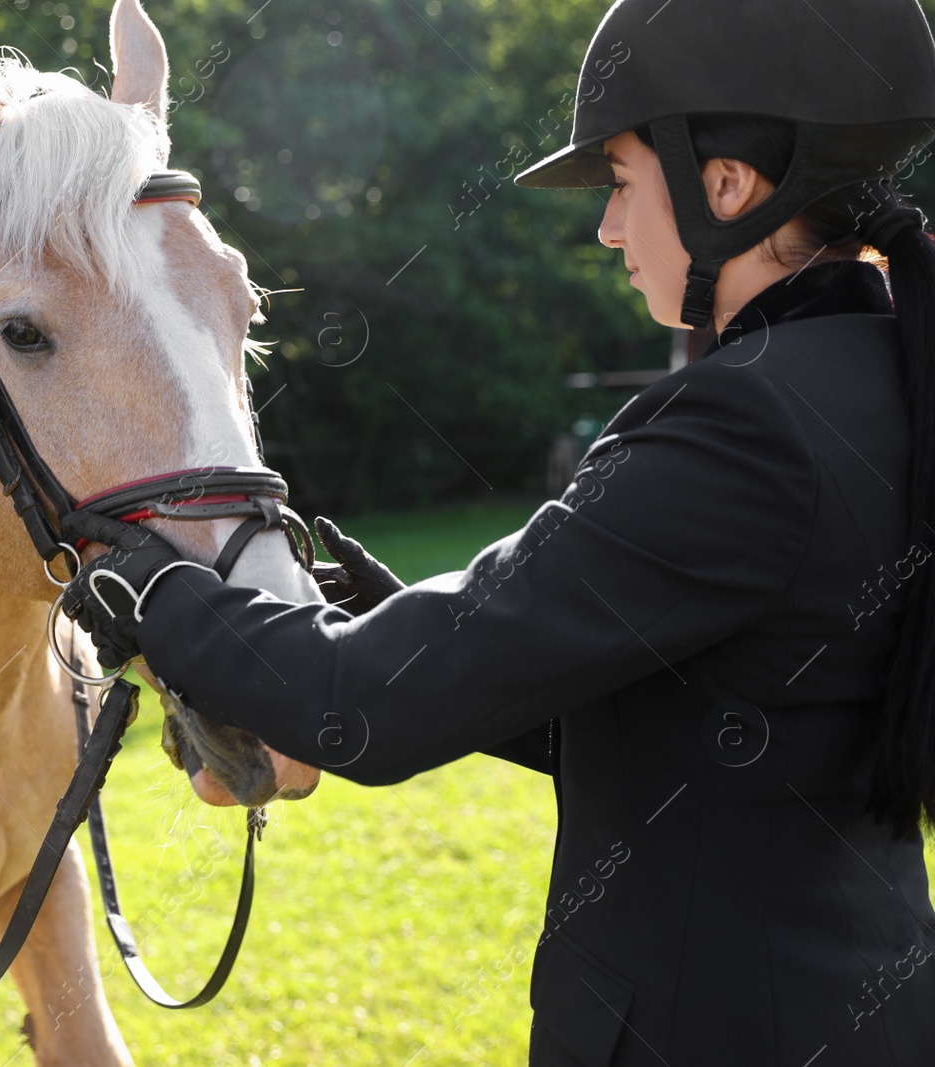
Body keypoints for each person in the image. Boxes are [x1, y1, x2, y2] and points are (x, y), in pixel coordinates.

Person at [59, 0, 935, 1062]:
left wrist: (152, 588)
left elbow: (357, 711)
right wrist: (399, 624)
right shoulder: (884, 374)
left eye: (618, 183)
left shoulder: (747, 423)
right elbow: (702, 719)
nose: (607, 228)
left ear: (726, 185)